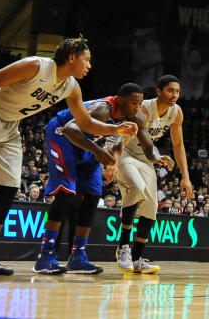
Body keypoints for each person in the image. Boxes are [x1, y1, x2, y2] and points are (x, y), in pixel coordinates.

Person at [0, 37, 137, 276]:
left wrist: (115, 130)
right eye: (87, 60)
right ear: (72, 57)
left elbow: (85, 123)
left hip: (9, 125)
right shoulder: (35, 66)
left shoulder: (71, 86)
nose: (89, 65)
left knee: (9, 187)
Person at [34, 84, 145, 275]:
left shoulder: (130, 117)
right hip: (61, 133)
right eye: (134, 102)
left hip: (85, 143)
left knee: (93, 194)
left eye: (140, 103)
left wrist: (113, 162)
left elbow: (118, 141)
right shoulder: (103, 109)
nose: (137, 107)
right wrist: (97, 150)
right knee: (66, 193)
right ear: (120, 100)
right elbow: (70, 129)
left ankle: (77, 256)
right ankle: (45, 257)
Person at [114, 75, 187, 274]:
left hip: (146, 157)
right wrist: (113, 161)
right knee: (137, 189)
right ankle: (123, 248)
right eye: (170, 90)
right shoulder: (144, 109)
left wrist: (185, 177)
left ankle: (137, 258)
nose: (175, 95)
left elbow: (178, 145)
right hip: (124, 150)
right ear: (159, 91)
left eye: (178, 91)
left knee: (151, 207)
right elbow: (124, 139)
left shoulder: (176, 112)